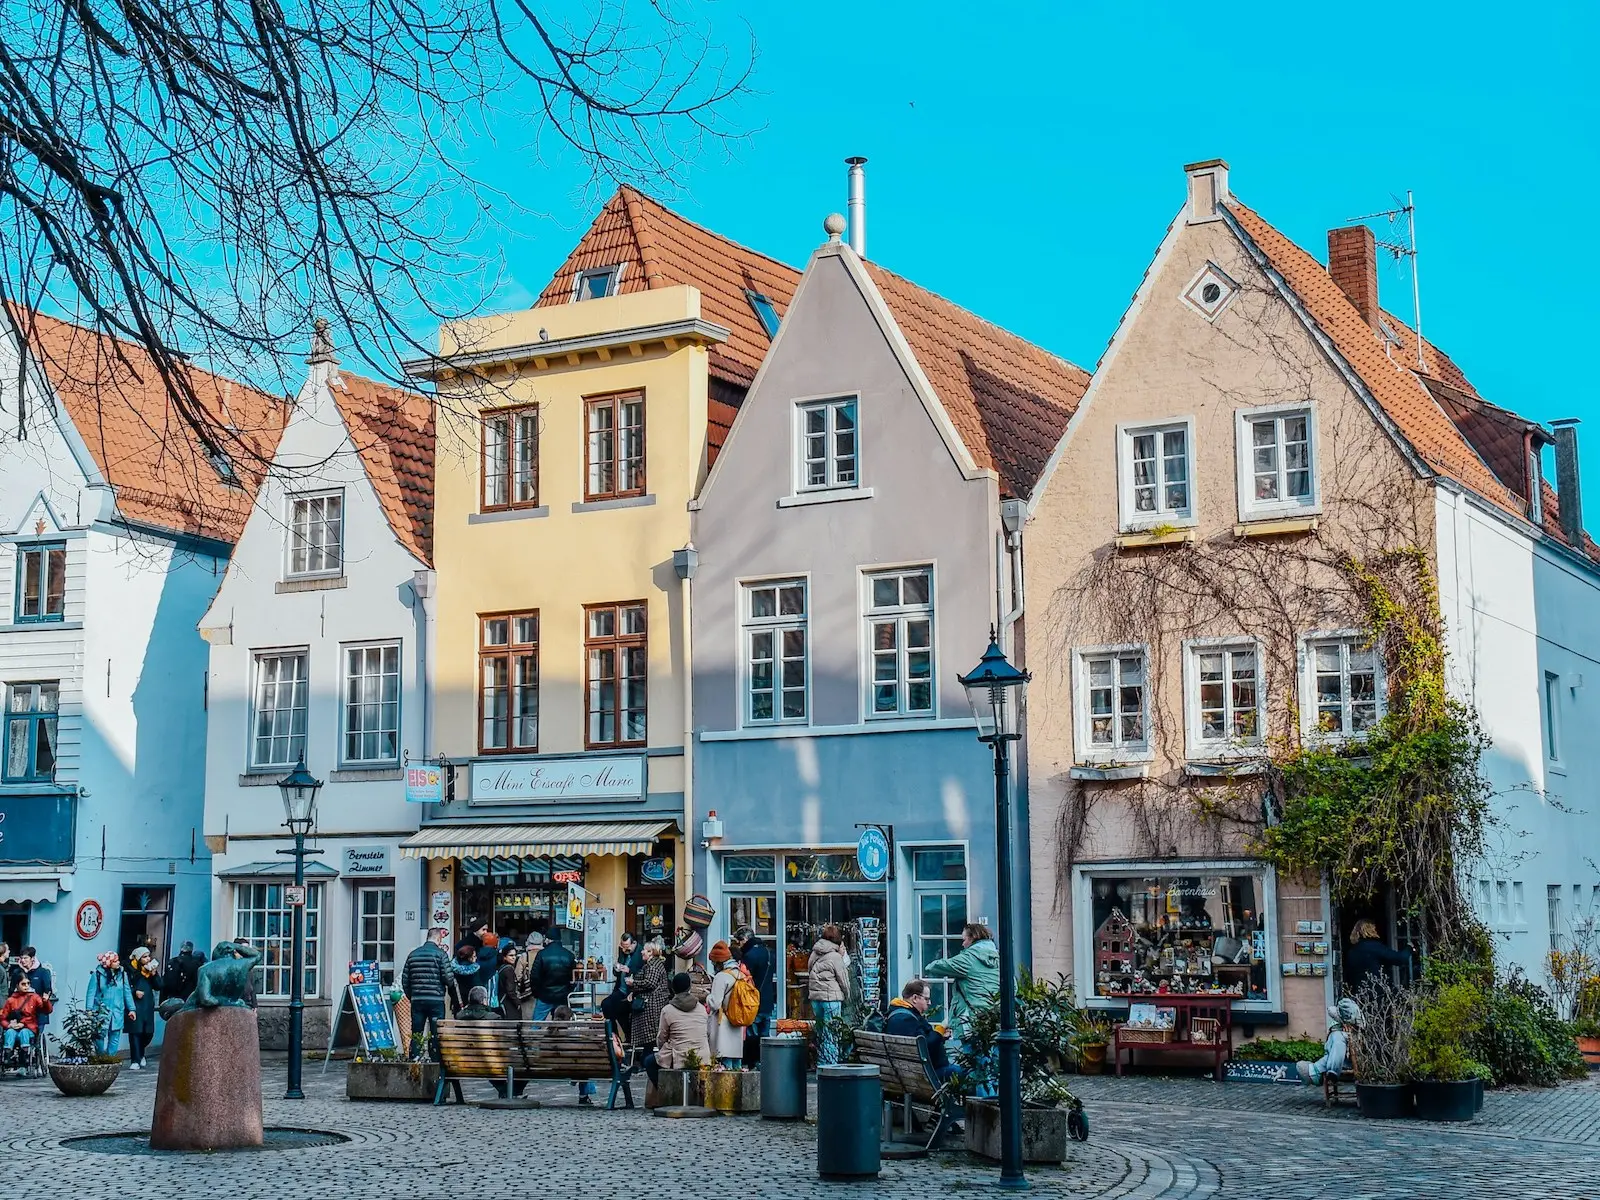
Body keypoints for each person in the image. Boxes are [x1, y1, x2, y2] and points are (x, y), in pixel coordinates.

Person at [885, 978, 962, 1137]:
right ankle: (939, 1117)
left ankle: (940, 1116)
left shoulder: (897, 1014)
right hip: (920, 1080)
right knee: (963, 1074)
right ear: (915, 998)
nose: (930, 1002)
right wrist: (940, 1030)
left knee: (955, 1071)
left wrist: (939, 1037)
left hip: (905, 1077)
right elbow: (925, 1047)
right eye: (926, 999)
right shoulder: (905, 1019)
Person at [642, 971, 711, 1086]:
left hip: (678, 1055)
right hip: (702, 1056)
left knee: (649, 1062)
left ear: (673, 989)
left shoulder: (668, 1010)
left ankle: (664, 1091)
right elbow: (707, 1032)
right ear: (689, 988)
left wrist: (662, 1049)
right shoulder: (701, 1008)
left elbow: (661, 1038)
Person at [401, 934, 452, 1057]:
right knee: (435, 1033)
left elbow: (405, 980)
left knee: (417, 1032)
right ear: (439, 939)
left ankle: (415, 1061)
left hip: (417, 1000)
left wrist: (412, 996)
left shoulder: (413, 955)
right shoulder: (441, 954)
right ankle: (435, 1064)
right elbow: (448, 978)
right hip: (436, 1000)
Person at [808, 925, 851, 1065]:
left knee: (821, 1032)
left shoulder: (814, 953)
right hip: (832, 997)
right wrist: (847, 995)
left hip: (816, 997)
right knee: (832, 1033)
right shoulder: (835, 956)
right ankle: (831, 1065)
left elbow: (810, 970)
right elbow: (843, 979)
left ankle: (821, 1062)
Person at [733, 925, 776, 1062]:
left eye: (739, 941)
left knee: (752, 1036)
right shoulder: (768, 952)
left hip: (753, 1002)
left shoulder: (749, 956)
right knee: (765, 1036)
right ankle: (766, 1063)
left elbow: (744, 980)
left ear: (745, 939)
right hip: (768, 1000)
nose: (739, 945)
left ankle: (753, 1064)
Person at [1296, 998, 1363, 1085]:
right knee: (1335, 1039)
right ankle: (1316, 1071)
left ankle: (1319, 1072)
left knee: (1337, 1037)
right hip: (1337, 1056)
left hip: (1346, 1061)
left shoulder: (1346, 1035)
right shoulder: (1342, 1028)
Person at [705, 941, 748, 1070]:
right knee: (736, 1066)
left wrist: (707, 997)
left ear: (718, 962)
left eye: (713, 962)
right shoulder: (740, 974)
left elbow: (715, 1003)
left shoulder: (722, 976)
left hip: (723, 1024)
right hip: (737, 1022)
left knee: (724, 1067)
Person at [87, 952, 135, 1058]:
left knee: (115, 1037)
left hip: (117, 1010)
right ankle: (100, 1057)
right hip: (101, 1011)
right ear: (109, 963)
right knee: (99, 1036)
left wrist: (132, 1009)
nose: (118, 963)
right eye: (115, 961)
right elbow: (91, 993)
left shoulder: (122, 974)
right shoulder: (97, 974)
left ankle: (110, 1059)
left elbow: (126, 992)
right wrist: (89, 1009)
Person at [547, 1003, 598, 1105]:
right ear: (570, 1019)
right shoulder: (573, 1035)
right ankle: (583, 1096)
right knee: (583, 1065)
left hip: (548, 1068)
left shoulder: (547, 1033)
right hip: (572, 1068)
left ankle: (516, 1092)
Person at [1344, 920, 1412, 996]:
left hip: (1359, 994)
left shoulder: (1352, 951)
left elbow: (1348, 976)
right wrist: (1409, 948)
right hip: (1377, 993)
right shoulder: (1375, 947)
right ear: (1371, 930)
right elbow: (1400, 959)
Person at [628, 937, 670, 1056]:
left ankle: (646, 1060)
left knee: (649, 1036)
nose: (642, 951)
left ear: (651, 952)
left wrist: (633, 983)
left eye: (645, 950)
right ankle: (645, 1059)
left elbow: (650, 983)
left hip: (651, 1005)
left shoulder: (653, 966)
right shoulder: (653, 964)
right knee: (650, 1037)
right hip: (654, 1003)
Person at [1, 976, 51, 1072]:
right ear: (17, 985)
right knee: (9, 1032)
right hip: (14, 1028)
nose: (26, 986)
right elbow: (3, 1018)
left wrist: (45, 1001)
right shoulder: (11, 1000)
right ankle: (8, 1056)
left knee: (24, 1032)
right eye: (23, 984)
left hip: (29, 1028)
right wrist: (8, 1025)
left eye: (28, 983)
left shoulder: (34, 997)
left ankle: (24, 1058)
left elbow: (46, 1010)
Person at [125, 947, 162, 1071]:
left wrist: (154, 974)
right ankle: (135, 1059)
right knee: (135, 1032)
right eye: (144, 957)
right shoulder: (130, 969)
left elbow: (159, 986)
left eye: (148, 956)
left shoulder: (150, 971)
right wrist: (134, 991)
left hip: (147, 1005)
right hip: (134, 1005)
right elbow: (124, 986)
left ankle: (141, 1053)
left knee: (148, 1033)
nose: (148, 959)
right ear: (138, 958)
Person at [530, 929, 577, 1020]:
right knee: (562, 1023)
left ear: (548, 939)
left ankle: (534, 1034)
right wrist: (568, 991)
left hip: (545, 996)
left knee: (536, 1024)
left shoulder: (542, 954)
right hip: (562, 996)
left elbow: (534, 977)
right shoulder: (569, 955)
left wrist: (537, 993)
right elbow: (573, 978)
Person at [17, 949, 52, 1032]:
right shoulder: (17, 973)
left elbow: (48, 990)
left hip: (39, 1013)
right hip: (21, 1013)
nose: (22, 960)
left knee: (36, 1038)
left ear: (32, 958)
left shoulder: (43, 972)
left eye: (25, 958)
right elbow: (12, 991)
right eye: (21, 958)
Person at [448, 942, 480, 1014]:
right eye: (474, 956)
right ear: (469, 958)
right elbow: (478, 987)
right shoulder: (475, 971)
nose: (476, 958)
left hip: (458, 1003)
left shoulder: (452, 969)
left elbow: (450, 987)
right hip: (473, 1006)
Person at [495, 944, 522, 1019]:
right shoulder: (509, 969)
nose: (514, 957)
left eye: (515, 955)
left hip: (502, 1000)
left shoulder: (501, 968)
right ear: (504, 957)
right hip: (509, 1003)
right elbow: (510, 990)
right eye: (511, 955)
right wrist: (517, 1003)